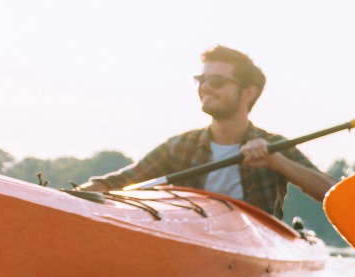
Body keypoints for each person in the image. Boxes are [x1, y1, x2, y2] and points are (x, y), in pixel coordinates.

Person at [86, 46, 334, 218]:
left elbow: (331, 193)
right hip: (191, 240)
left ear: (248, 92)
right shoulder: (180, 146)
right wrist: (64, 197)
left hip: (255, 247)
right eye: (200, 80)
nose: (205, 87)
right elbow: (118, 183)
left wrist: (277, 162)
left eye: (216, 81)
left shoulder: (273, 145)